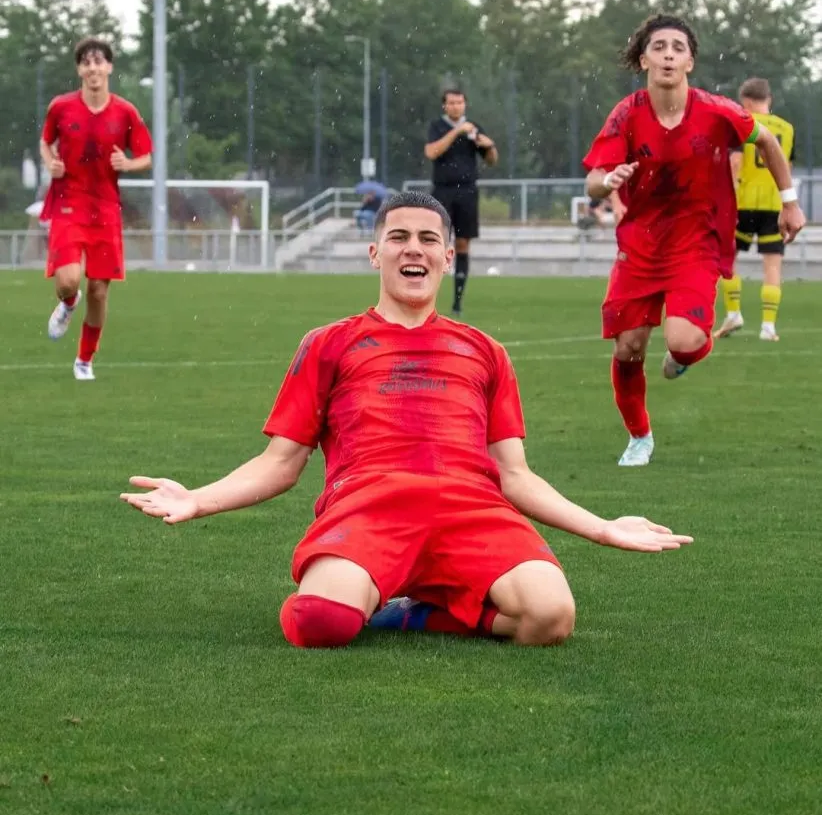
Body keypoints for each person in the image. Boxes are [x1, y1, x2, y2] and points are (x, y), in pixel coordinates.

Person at [121, 191, 693, 649]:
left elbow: (515, 475)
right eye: (397, 237)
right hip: (368, 510)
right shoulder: (328, 343)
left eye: (427, 239)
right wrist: (198, 499)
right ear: (375, 254)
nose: (412, 249)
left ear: (448, 257)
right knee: (321, 621)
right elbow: (281, 462)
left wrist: (602, 527)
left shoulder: (485, 351)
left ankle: (411, 615)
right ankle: (370, 594)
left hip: (472, 512)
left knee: (550, 618)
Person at [583, 14, 805, 468]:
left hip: (696, 241)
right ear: (643, 59)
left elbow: (767, 143)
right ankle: (639, 437)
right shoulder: (626, 113)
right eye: (658, 46)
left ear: (690, 62)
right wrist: (608, 182)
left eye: (678, 48)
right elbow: (593, 180)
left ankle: (685, 356)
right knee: (629, 348)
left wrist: (790, 202)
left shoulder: (717, 110)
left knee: (683, 341)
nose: (668, 54)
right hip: (640, 244)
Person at [40, 37, 153, 381]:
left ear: (109, 67)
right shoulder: (61, 107)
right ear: (79, 69)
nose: (93, 68)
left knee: (99, 291)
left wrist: (127, 164)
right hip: (68, 203)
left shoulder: (125, 112)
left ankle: (84, 360)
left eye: (98, 61)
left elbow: (146, 156)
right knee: (68, 281)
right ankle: (67, 303)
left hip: (104, 209)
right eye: (86, 62)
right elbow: (45, 142)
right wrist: (50, 163)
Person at [715, 78, 795, 342]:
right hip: (773, 204)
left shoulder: (743, 122)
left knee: (728, 258)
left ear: (746, 102)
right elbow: (787, 168)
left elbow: (735, 162)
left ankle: (734, 313)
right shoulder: (787, 128)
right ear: (768, 99)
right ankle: (768, 327)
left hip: (743, 203)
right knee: (772, 265)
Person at [424, 89, 498, 316]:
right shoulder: (437, 127)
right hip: (443, 191)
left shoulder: (474, 128)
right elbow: (432, 152)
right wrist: (457, 131)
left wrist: (489, 145)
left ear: (465, 104)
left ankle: (457, 302)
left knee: (463, 244)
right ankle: (426, 297)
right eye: (452, 103)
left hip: (467, 191)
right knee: (436, 242)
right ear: (445, 106)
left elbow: (492, 160)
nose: (456, 106)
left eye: (460, 102)